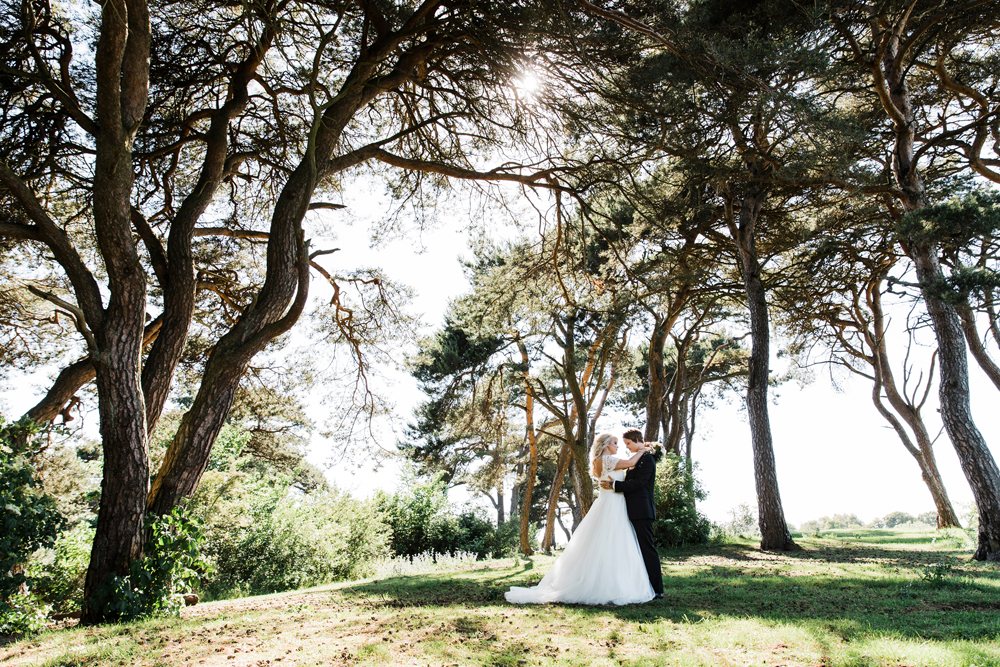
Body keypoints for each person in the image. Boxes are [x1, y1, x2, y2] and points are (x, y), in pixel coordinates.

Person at [504, 432, 655, 605]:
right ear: (606, 445)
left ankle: (603, 579)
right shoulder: (608, 460)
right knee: (613, 541)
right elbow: (630, 463)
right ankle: (612, 583)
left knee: (605, 542)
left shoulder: (601, 461)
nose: (618, 446)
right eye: (615, 443)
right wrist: (645, 449)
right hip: (613, 504)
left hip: (609, 503)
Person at [599, 429, 664, 598]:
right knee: (635, 549)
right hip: (629, 510)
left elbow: (640, 482)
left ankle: (657, 589)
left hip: (642, 510)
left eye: (628, 443)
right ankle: (641, 586)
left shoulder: (648, 459)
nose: (626, 447)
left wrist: (615, 486)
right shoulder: (638, 458)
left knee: (646, 548)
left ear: (636, 440)